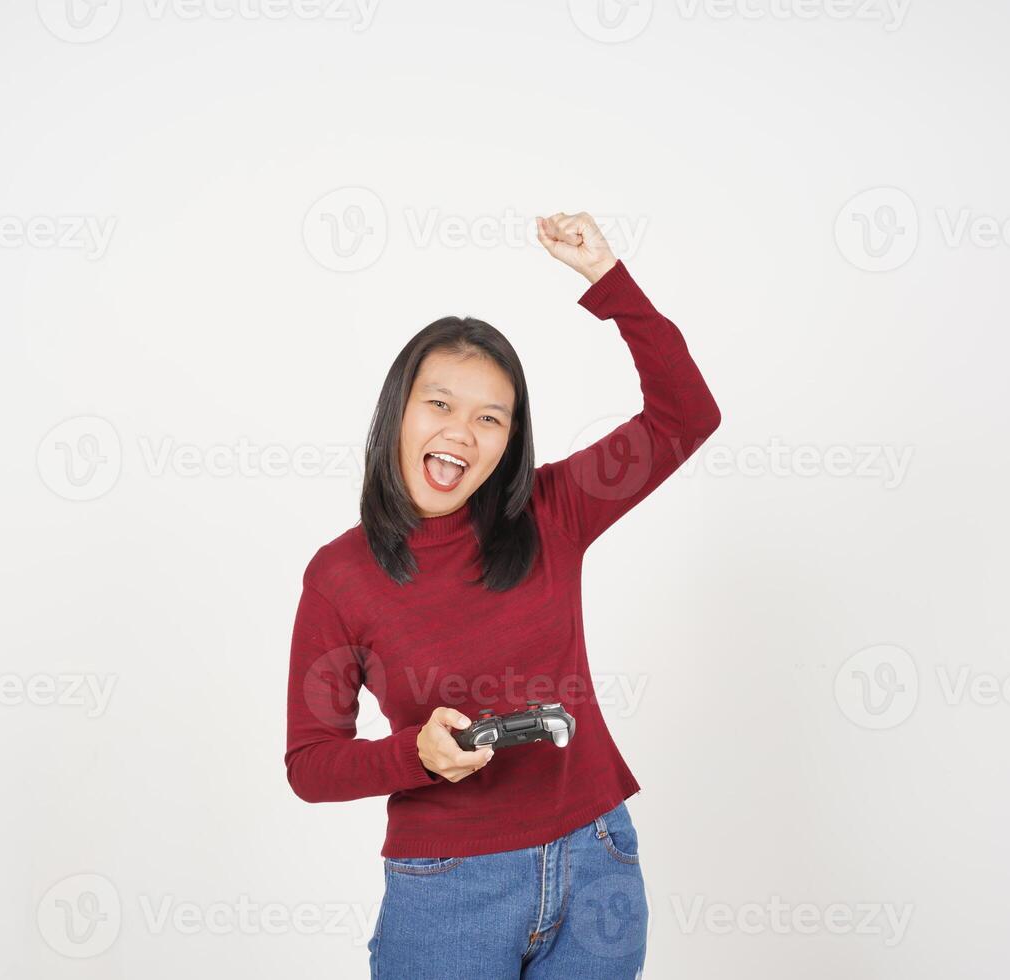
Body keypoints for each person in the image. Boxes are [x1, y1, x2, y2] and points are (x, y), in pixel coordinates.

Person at [283, 210, 723, 978]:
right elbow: (311, 763)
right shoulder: (340, 576)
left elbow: (687, 415)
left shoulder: (553, 510)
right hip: (448, 892)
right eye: (440, 404)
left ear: (509, 440)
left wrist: (609, 280)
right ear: (399, 411)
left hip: (597, 864)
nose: (462, 432)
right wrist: (412, 755)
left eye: (491, 417)